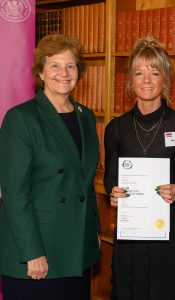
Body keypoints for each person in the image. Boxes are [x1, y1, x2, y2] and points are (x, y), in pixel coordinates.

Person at [0, 34, 100, 300]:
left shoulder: (86, 117)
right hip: (36, 252)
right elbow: (14, 192)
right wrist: (32, 252)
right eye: (55, 65)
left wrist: (92, 232)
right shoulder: (21, 119)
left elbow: (85, 183)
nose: (63, 73)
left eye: (71, 66)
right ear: (41, 72)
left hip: (75, 250)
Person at [104, 35, 175, 300]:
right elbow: (110, 176)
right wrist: (113, 192)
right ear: (130, 81)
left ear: (165, 79)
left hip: (169, 227)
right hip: (131, 228)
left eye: (154, 72)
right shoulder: (116, 128)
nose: (146, 80)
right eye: (139, 72)